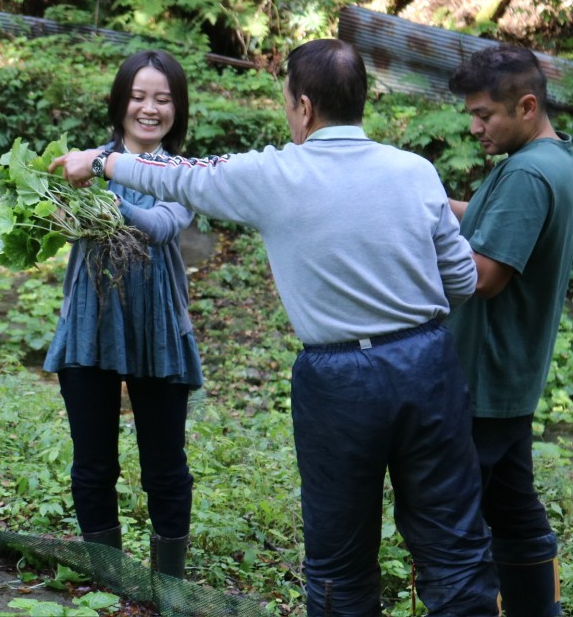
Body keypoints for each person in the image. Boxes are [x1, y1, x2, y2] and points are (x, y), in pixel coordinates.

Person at [51, 38, 497, 615]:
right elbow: (460, 280)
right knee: (454, 544)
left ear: (304, 107)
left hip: (340, 379)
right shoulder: (416, 171)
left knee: (340, 557)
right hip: (428, 365)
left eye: (287, 101)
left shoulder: (274, 174)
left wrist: (101, 162)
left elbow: (187, 180)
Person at [45, 50, 204, 579]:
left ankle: (169, 585)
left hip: (158, 330)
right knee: (93, 464)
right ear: (120, 103)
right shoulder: (80, 164)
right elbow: (55, 224)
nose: (149, 109)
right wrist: (54, 208)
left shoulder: (183, 175)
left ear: (178, 109)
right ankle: (106, 578)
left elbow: (159, 227)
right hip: (89, 326)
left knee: (165, 466)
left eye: (162, 99)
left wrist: (107, 196)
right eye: (138, 97)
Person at [444, 44, 573, 617]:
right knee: (514, 510)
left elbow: (484, 276)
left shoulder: (525, 174)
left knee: (451, 521)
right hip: (511, 376)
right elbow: (490, 221)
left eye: (484, 115)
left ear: (526, 106)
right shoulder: (555, 161)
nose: (475, 128)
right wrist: (424, 202)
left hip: (482, 379)